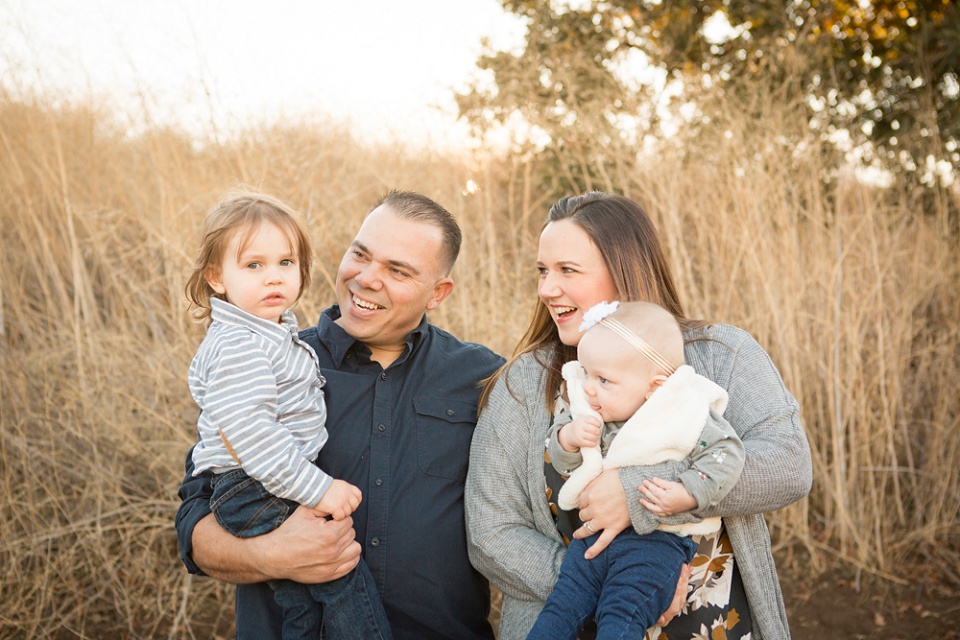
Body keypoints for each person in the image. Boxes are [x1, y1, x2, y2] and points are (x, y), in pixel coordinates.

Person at [465, 192, 812, 640]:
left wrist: (638, 495)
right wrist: (620, 589)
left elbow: (788, 465)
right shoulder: (522, 385)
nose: (546, 288)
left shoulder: (721, 355)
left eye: (567, 270)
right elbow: (490, 532)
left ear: (625, 269)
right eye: (542, 270)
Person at [176, 190, 506, 640]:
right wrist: (272, 554)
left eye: (398, 270)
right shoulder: (273, 363)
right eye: (361, 255)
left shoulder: (484, 379)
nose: (367, 278)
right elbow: (195, 523)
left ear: (438, 293)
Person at [183, 189, 392, 640]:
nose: (272, 277)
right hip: (255, 486)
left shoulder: (271, 335)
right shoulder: (241, 345)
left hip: (262, 482)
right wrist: (320, 491)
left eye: (285, 263)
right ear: (217, 276)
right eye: (253, 265)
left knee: (301, 598)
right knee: (341, 575)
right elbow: (255, 439)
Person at [527, 300, 744, 640]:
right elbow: (568, 464)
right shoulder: (592, 410)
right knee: (561, 608)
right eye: (587, 373)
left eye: (603, 379)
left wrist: (687, 492)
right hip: (592, 542)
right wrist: (568, 440)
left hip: (655, 546)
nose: (588, 387)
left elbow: (727, 452)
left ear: (654, 387)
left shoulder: (683, 413)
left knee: (621, 615)